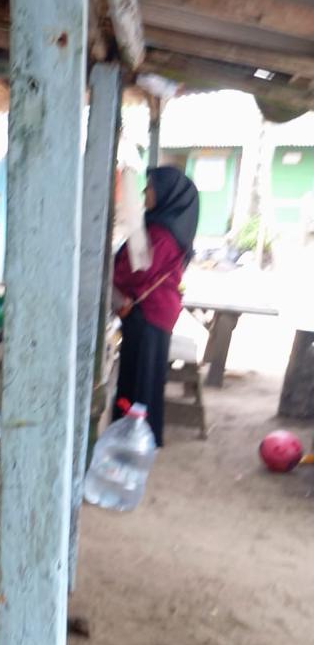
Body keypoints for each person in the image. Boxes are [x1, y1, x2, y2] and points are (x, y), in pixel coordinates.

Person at [113, 165, 200, 446]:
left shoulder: (163, 235)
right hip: (150, 313)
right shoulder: (160, 228)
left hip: (150, 315)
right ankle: (132, 435)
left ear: (166, 193)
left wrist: (110, 273)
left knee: (142, 379)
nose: (144, 192)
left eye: (150, 187)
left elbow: (136, 271)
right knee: (140, 376)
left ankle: (138, 438)